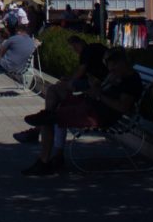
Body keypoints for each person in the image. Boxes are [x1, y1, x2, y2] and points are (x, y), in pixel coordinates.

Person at [23, 48, 142, 176]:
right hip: (89, 104)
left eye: (112, 67)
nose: (110, 70)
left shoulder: (130, 81)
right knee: (54, 91)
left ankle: (44, 161)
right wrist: (95, 86)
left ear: (121, 63)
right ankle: (48, 121)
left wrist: (99, 95)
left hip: (97, 115)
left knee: (47, 120)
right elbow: (102, 89)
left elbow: (122, 107)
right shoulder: (118, 75)